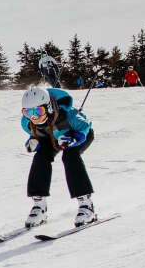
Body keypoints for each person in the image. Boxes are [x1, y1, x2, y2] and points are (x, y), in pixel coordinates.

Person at [19, 85, 96, 229]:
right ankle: (39, 206)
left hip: (78, 135)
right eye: (28, 112)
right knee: (40, 157)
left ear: (48, 107)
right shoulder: (27, 123)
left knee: (70, 155)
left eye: (38, 111)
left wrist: (74, 138)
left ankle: (86, 205)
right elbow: (35, 134)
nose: (34, 117)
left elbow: (85, 126)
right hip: (51, 138)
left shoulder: (68, 114)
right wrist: (32, 142)